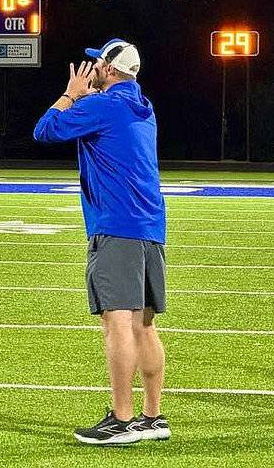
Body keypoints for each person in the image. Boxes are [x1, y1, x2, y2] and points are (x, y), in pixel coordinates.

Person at [33, 38, 170, 445]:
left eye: (96, 64)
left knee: (117, 323)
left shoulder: (101, 105)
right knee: (145, 325)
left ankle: (122, 421)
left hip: (116, 226)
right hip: (149, 225)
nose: (90, 68)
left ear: (109, 69)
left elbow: (45, 130)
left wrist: (71, 95)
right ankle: (152, 417)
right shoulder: (143, 107)